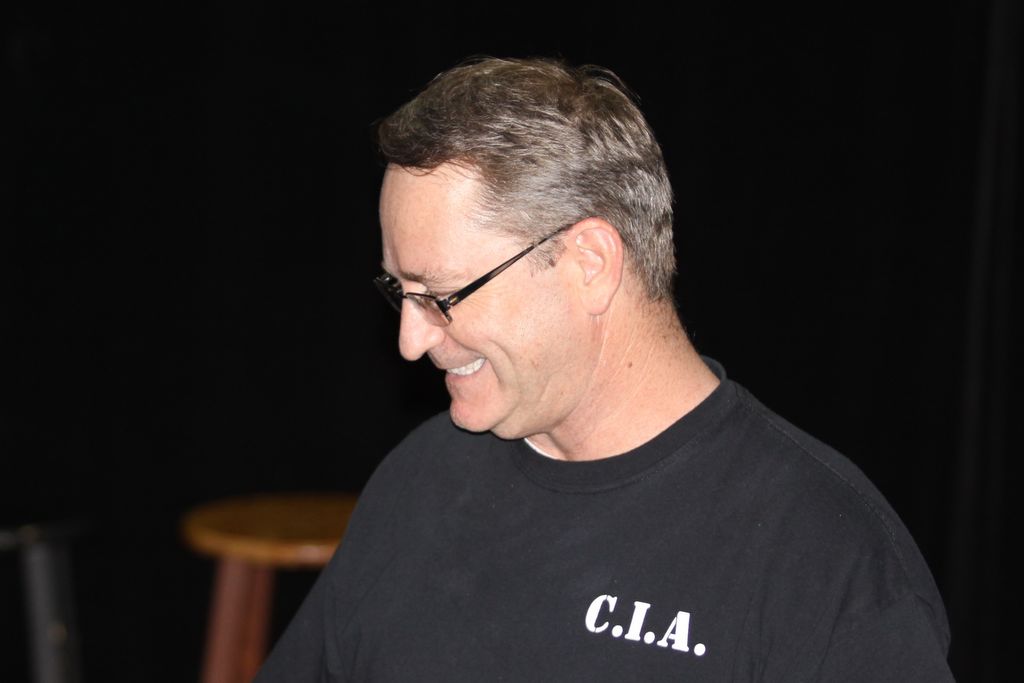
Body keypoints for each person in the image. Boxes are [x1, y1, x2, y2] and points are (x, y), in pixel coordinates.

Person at [256, 56, 954, 681]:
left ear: (589, 264)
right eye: (398, 291)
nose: (410, 340)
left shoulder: (824, 558)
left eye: (440, 296)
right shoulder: (421, 480)